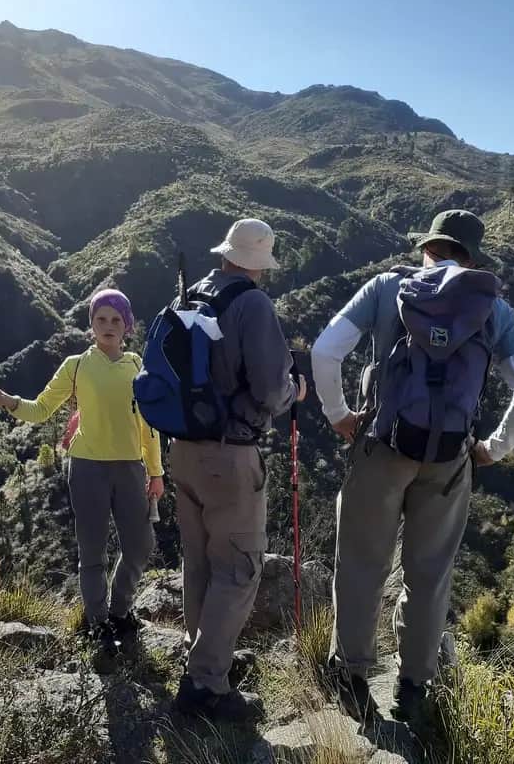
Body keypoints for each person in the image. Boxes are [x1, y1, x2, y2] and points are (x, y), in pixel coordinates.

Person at [311, 210, 514, 723]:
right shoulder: (493, 309)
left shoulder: (387, 288)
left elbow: (325, 351)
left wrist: (338, 416)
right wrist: (493, 448)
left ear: (429, 248)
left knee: (361, 565)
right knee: (429, 575)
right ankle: (414, 685)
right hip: (448, 459)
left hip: (381, 447)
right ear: (472, 256)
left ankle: (351, 675)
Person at [171, 218, 306, 722]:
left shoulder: (193, 295)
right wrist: (297, 390)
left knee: (200, 561)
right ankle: (206, 686)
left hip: (182, 449)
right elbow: (272, 391)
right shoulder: (252, 304)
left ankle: (204, 657)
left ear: (226, 254)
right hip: (228, 456)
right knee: (240, 567)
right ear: (258, 263)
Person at [0, 289, 164, 651]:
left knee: (141, 546)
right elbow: (41, 409)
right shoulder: (76, 365)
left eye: (116, 320)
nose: (108, 326)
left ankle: (119, 610)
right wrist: (8, 402)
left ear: (127, 326)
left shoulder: (137, 366)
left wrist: (156, 472)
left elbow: (150, 425)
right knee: (92, 551)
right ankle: (100, 625)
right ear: (91, 324)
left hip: (130, 468)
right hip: (87, 468)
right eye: (101, 319)